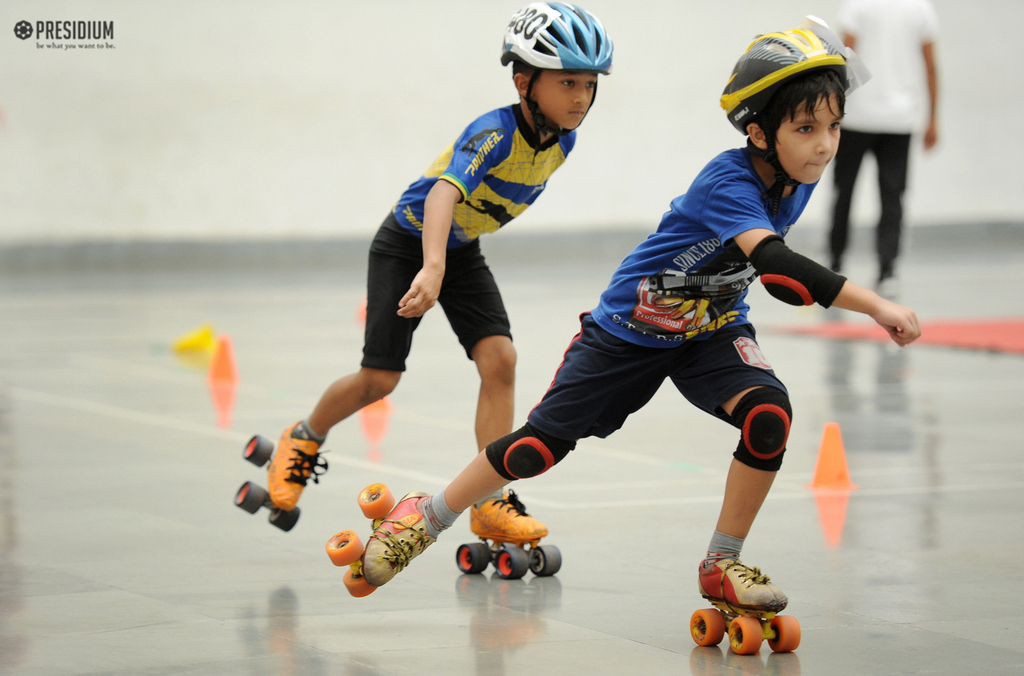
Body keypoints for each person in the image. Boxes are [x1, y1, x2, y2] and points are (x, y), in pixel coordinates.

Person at [349, 16, 920, 618]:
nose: (826, 144)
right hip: (626, 333)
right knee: (535, 451)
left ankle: (722, 564)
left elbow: (779, 288)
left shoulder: (795, 176)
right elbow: (779, 269)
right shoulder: (729, 180)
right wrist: (877, 304)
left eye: (833, 126)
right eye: (806, 128)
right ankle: (425, 515)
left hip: (710, 330)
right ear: (757, 131)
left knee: (768, 417)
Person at [262, 4, 614, 541]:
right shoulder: (493, 133)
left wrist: (448, 259)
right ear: (524, 81)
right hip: (408, 243)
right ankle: (303, 438)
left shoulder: (563, 140)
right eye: (567, 81)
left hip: (460, 249)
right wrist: (431, 267)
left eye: (589, 84)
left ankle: (490, 501)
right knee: (379, 379)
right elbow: (444, 193)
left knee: (500, 359)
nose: (580, 97)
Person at [828, 0, 940, 297]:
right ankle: (887, 270)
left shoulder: (857, 5)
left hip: (858, 117)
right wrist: (932, 119)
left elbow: (844, 60)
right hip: (899, 119)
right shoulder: (920, 8)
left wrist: (831, 114)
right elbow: (930, 65)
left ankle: (835, 262)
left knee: (844, 191)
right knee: (893, 196)